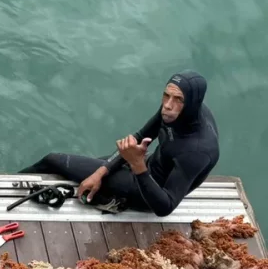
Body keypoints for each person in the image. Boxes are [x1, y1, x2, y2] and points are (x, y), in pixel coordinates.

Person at [20, 71, 219, 217]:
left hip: (145, 193)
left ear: (192, 103)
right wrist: (100, 173)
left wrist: (138, 166)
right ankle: (103, 180)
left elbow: (165, 207)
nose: (167, 105)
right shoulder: (173, 111)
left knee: (52, 160)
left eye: (177, 99)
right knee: (93, 168)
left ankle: (12, 184)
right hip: (142, 166)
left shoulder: (198, 151)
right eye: (166, 95)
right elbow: (141, 135)